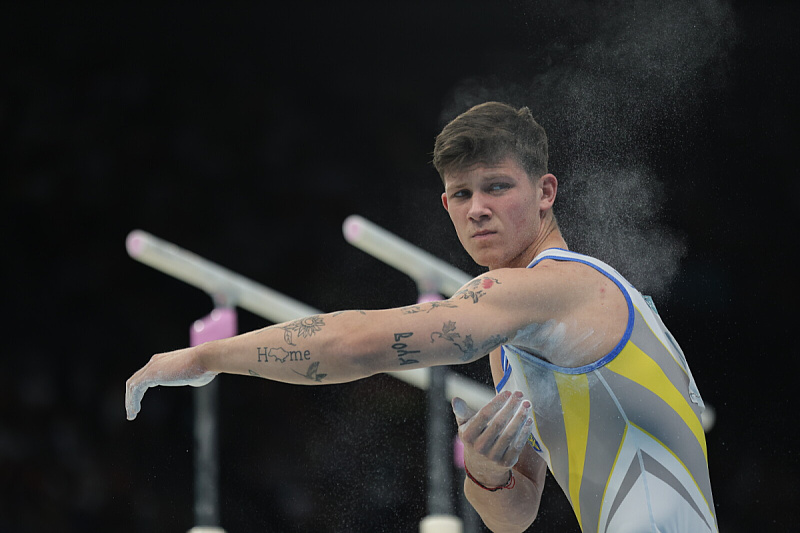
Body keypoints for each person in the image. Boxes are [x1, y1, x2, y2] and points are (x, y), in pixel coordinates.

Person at [126, 102, 717, 533]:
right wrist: (487, 474)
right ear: (445, 205)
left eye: (497, 187)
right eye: (462, 194)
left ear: (545, 192)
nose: (478, 209)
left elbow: (357, 344)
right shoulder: (521, 338)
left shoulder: (553, 290)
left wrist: (207, 357)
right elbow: (516, 515)